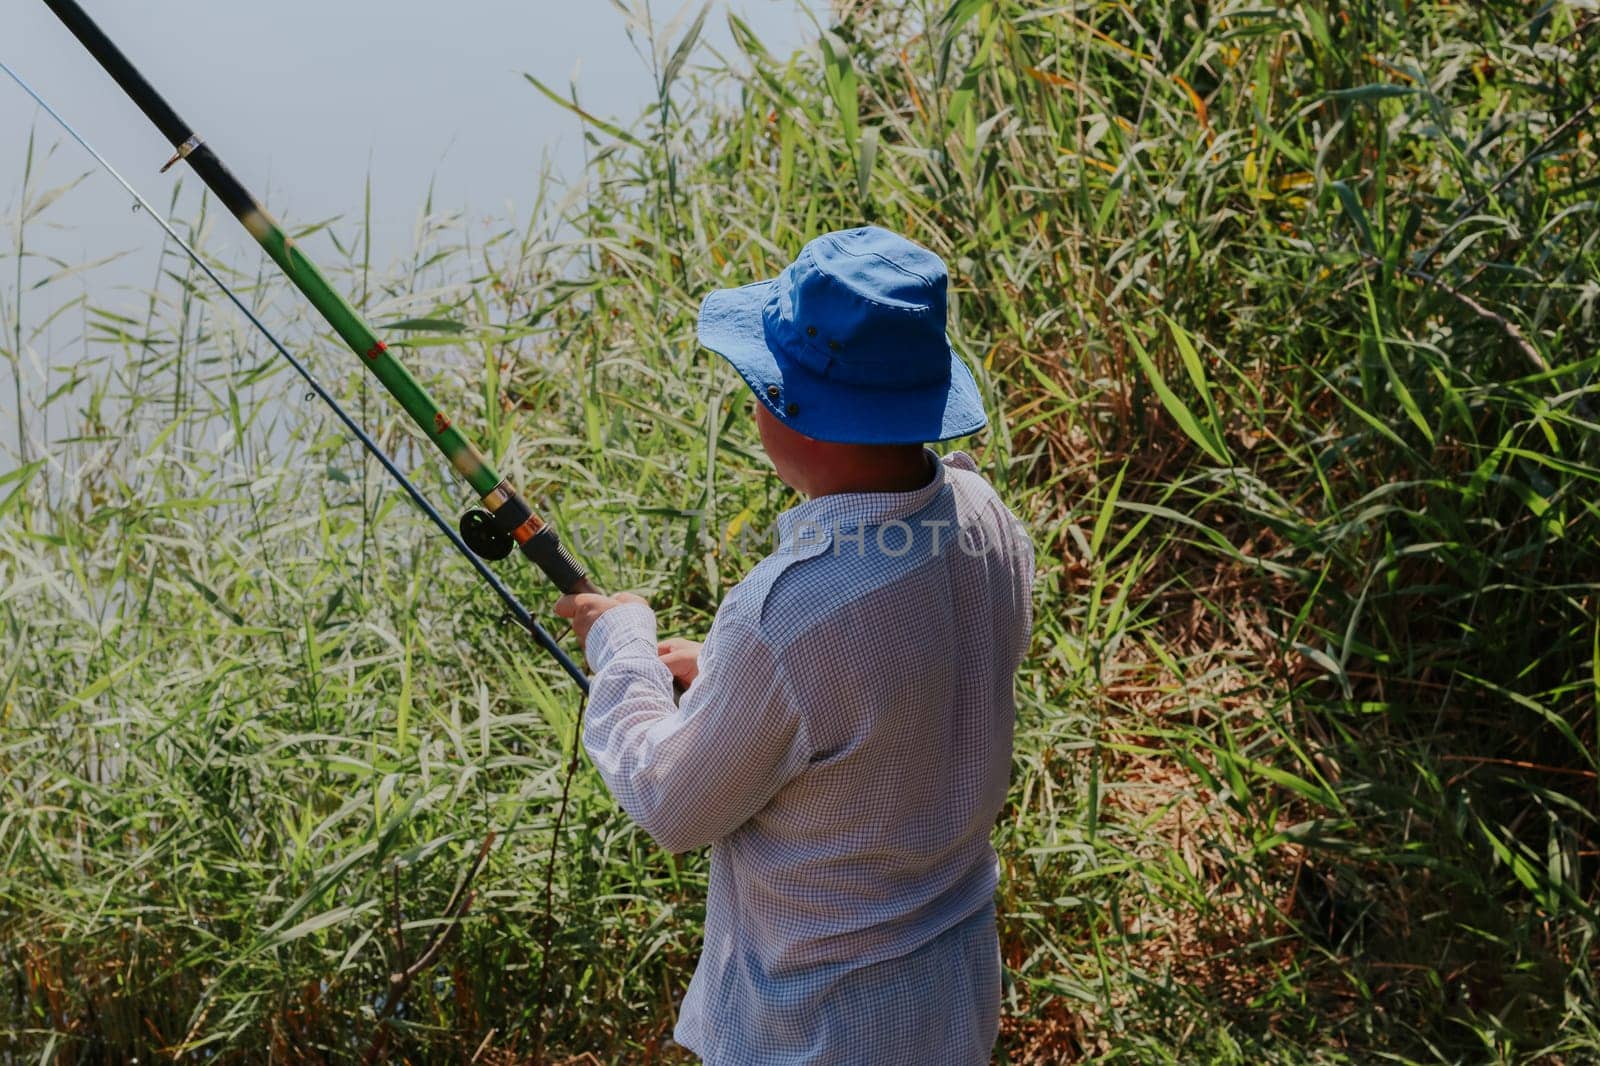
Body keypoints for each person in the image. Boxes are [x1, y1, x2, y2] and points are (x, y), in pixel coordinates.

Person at [555, 226, 1034, 1065]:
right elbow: (916, 679)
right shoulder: (985, 516)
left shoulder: (788, 620)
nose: (752, 404)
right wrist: (737, 682)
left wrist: (622, 643)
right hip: (953, 993)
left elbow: (672, 806)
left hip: (825, 1031)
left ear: (798, 417)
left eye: (763, 387)